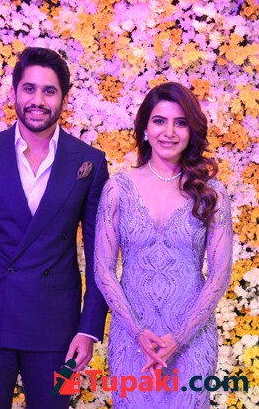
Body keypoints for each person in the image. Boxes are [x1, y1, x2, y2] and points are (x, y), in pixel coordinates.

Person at [0, 46, 110, 408]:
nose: (38, 100)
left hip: (58, 327)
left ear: (64, 98)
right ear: (14, 92)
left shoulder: (90, 162)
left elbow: (100, 256)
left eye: (49, 91)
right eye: (29, 89)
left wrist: (89, 328)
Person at [94, 82, 233, 407]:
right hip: (132, 340)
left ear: (191, 131)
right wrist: (136, 330)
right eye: (159, 121)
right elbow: (103, 269)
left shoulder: (211, 192)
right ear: (144, 128)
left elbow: (220, 274)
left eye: (180, 122)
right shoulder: (117, 189)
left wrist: (180, 337)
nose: (169, 132)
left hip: (191, 340)